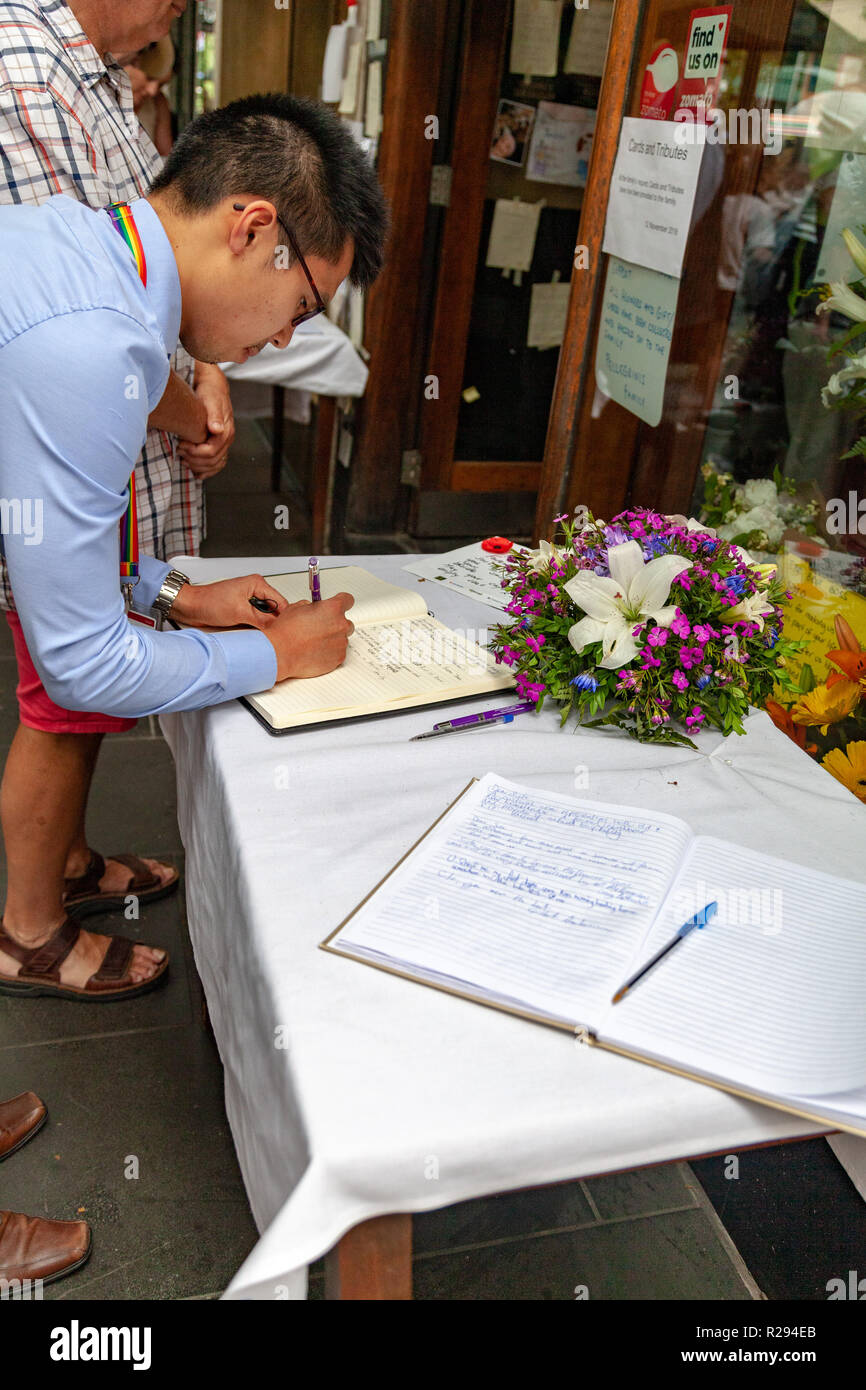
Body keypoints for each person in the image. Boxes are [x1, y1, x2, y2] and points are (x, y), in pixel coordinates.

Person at [0, 91, 389, 1002]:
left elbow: (46, 528)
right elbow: (80, 668)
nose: (283, 337)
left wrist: (175, 594)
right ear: (254, 228)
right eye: (301, 304)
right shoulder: (90, 346)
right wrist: (272, 654)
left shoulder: (76, 242)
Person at [0, 1, 235, 945]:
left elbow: (154, 266)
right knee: (61, 695)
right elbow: (91, 325)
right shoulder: (23, 65)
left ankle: (62, 860)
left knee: (79, 694)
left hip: (115, 448)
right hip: (74, 451)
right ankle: (31, 928)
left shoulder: (91, 70)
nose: (176, 6)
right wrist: (194, 398)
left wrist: (205, 362)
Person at [124, 36, 175, 157]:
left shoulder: (158, 103)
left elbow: (165, 156)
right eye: (149, 78)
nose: (152, 91)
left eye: (161, 85)